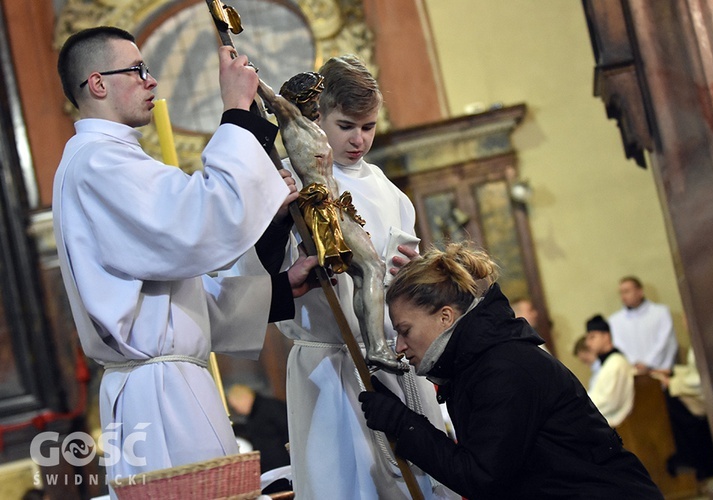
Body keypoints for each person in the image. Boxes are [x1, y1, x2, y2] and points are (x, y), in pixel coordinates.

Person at [53, 26, 318, 487]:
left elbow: (172, 297)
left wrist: (277, 289)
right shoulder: (100, 163)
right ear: (97, 84)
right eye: (137, 70)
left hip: (163, 389)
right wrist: (235, 111)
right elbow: (199, 221)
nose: (151, 81)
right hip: (161, 402)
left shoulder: (106, 160)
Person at [275, 55, 458, 499]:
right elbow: (272, 273)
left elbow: (411, 273)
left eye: (369, 127)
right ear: (316, 117)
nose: (359, 140)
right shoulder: (289, 180)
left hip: (396, 357)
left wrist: (410, 275)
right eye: (346, 126)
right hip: (329, 361)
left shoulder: (391, 192)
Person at [359, 242, 662, 499]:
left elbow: (481, 476)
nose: (399, 346)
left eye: (405, 330)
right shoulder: (479, 361)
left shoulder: (503, 367)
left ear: (445, 317)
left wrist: (402, 422)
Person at [651, 348, 713, 481]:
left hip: (707, 399)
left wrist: (673, 382)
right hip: (697, 396)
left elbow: (699, 379)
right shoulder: (696, 345)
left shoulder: (704, 342)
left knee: (675, 406)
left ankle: (698, 466)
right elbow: (693, 372)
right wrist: (672, 372)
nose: (685, 325)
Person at [608, 276, 678, 374]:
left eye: (627, 291)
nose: (623, 296)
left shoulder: (661, 312)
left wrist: (648, 364)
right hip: (632, 372)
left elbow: (665, 341)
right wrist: (634, 364)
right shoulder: (614, 320)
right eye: (621, 292)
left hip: (659, 371)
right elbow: (619, 346)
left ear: (640, 292)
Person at [226, 383, 290, 473]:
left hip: (283, 467)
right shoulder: (257, 412)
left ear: (244, 398)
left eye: (236, 406)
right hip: (276, 468)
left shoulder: (269, 408)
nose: (237, 410)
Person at [584, 315, 635, 427]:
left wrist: (582, 411)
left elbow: (610, 402)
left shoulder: (616, 363)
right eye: (587, 338)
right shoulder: (607, 364)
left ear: (606, 337)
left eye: (592, 337)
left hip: (616, 426)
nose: (588, 343)